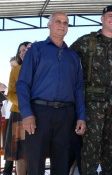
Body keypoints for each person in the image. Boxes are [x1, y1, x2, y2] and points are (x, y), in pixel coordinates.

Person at [70, 5, 112, 175]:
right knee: (91, 145)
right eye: (110, 16)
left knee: (111, 146)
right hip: (92, 103)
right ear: (102, 19)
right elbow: (67, 59)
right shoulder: (87, 41)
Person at [16, 12, 86, 175]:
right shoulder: (36, 50)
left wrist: (81, 116)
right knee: (36, 163)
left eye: (65, 23)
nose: (62, 25)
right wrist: (27, 113)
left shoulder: (73, 57)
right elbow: (22, 83)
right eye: (58, 21)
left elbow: (78, 88)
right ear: (49, 25)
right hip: (39, 113)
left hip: (66, 115)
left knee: (62, 162)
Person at [4, 41, 31, 175]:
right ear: (19, 54)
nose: (25, 52)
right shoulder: (15, 69)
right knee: (21, 153)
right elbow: (10, 93)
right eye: (22, 50)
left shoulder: (41, 67)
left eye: (27, 49)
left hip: (38, 113)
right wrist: (25, 105)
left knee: (36, 151)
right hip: (19, 114)